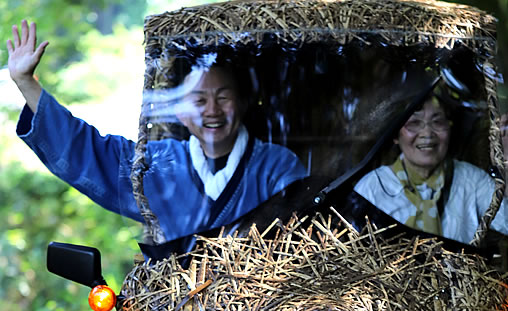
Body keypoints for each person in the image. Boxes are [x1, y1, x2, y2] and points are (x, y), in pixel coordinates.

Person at [7, 20, 307, 242]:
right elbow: (86, 150)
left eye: (223, 97)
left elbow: (300, 233)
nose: (212, 110)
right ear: (180, 111)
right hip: (182, 310)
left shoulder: (277, 165)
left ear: (241, 104)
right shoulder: (159, 164)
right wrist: (26, 82)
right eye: (199, 100)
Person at [353, 94, 508, 243]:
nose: (427, 133)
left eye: (437, 122)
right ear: (395, 135)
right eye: (414, 123)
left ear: (449, 128)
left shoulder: (470, 180)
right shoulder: (372, 188)